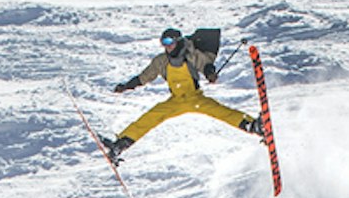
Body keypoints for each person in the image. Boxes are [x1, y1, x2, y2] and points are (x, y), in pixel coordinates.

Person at [105, 27, 262, 162]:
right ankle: (120, 144)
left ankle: (252, 125)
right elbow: (144, 77)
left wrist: (210, 74)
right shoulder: (161, 61)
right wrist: (126, 86)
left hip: (195, 98)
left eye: (169, 42)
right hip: (176, 101)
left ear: (177, 41)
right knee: (151, 117)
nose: (167, 47)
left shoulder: (190, 54)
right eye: (164, 43)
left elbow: (205, 65)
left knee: (219, 111)